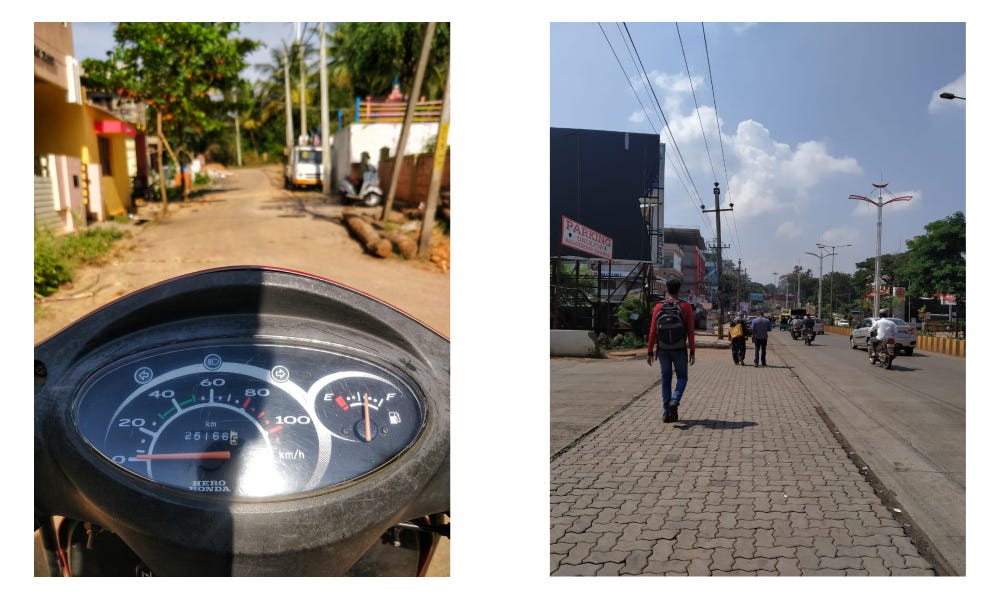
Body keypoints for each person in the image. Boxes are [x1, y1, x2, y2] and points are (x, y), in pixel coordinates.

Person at [647, 279, 696, 423]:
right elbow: (691, 331)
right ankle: (674, 400)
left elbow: (652, 332)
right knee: (682, 377)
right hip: (679, 348)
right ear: (679, 289)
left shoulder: (658, 306)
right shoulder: (685, 306)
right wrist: (692, 350)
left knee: (665, 380)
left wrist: (650, 351)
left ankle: (665, 412)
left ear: (666, 289)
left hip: (662, 349)